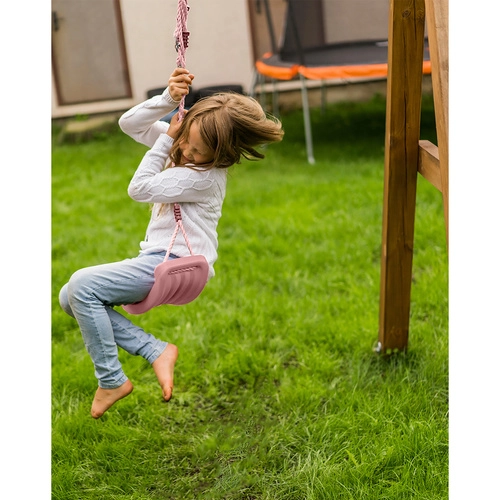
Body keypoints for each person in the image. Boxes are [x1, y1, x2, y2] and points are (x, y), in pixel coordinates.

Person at [58, 67, 284, 419]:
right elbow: (129, 124)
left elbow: (138, 188)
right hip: (157, 257)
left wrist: (167, 141)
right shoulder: (182, 144)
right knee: (69, 297)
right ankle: (155, 350)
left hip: (176, 263)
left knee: (82, 285)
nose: (187, 152)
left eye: (198, 151)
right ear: (185, 125)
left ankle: (111, 379)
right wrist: (167, 99)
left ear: (222, 156)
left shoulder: (204, 177)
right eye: (186, 141)